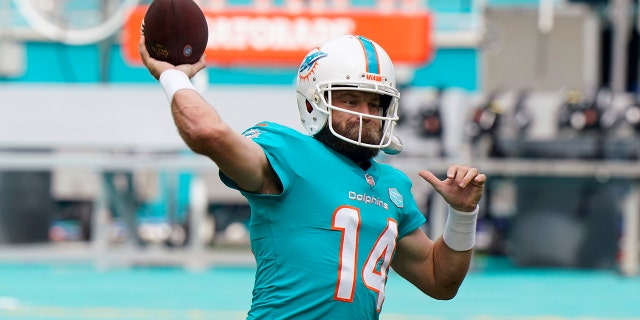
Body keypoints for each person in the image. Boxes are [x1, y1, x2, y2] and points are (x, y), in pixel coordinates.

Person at [139, 34, 486, 319]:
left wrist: (463, 214)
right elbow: (205, 132)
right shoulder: (286, 153)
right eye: (351, 100)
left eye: (375, 104)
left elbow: (441, 281)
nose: (365, 115)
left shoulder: (393, 186)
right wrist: (173, 76)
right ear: (313, 103)